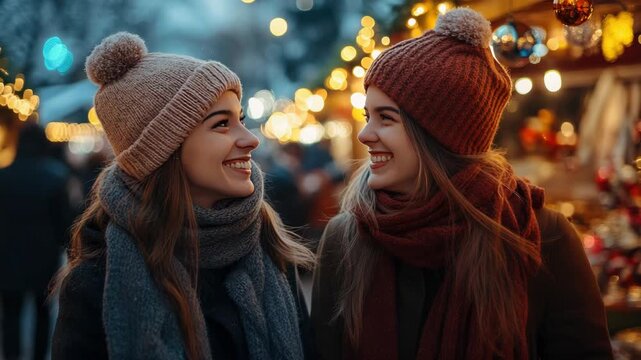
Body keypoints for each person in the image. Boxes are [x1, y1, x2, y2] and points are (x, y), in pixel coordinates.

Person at [311, 8, 613, 360]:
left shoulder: (541, 237)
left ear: (440, 133)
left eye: (386, 118)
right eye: (368, 116)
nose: (365, 135)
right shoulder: (346, 239)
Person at [51, 32, 315, 360]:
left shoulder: (268, 248)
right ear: (164, 151)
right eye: (221, 124)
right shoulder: (97, 283)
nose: (250, 140)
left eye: (241, 120)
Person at [0, 120, 71, 360]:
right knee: (43, 315)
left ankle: (11, 355)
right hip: (44, 258)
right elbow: (64, 224)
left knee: (10, 313)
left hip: (7, 257)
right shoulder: (55, 178)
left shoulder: (4, 177)